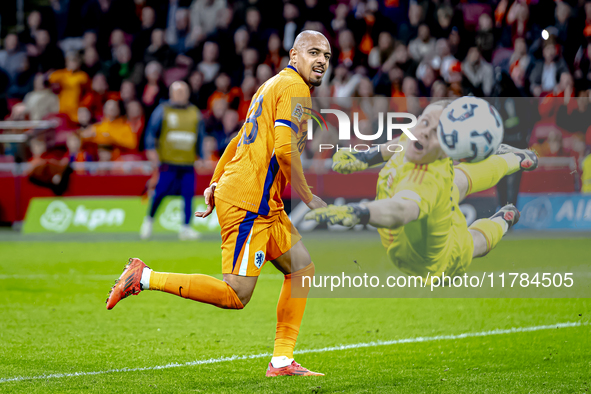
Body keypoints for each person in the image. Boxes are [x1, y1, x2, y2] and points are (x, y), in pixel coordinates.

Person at [106, 30, 331, 377]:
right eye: (314, 52)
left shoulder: (271, 85)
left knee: (301, 269)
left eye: (327, 56)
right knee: (237, 294)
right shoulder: (295, 88)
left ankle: (282, 361)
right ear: (294, 55)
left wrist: (215, 180)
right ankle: (144, 276)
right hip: (249, 201)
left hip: (261, 201)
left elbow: (240, 136)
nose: (321, 61)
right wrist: (307, 194)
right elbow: (284, 149)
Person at [308, 100, 539, 280]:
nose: (426, 131)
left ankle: (503, 220)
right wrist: (365, 157)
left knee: (472, 244)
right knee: (458, 181)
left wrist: (360, 212)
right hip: (435, 202)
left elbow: (401, 209)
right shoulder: (419, 140)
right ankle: (516, 158)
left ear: (449, 148)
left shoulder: (424, 183)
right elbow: (400, 142)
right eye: (425, 122)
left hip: (432, 261)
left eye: (438, 132)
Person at [138, 81, 203, 241]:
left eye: (184, 92)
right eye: (178, 92)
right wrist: (151, 149)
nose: (181, 95)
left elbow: (199, 136)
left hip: (188, 163)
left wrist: (201, 155)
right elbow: (151, 132)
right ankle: (149, 221)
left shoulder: (194, 112)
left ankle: (186, 228)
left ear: (188, 93)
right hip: (168, 162)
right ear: (171, 94)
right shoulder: (163, 110)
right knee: (160, 192)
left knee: (188, 195)